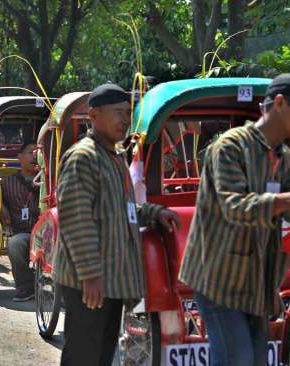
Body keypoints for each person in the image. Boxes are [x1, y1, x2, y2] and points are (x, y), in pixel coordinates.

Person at [178, 74, 290, 366]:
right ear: (279, 103)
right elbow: (234, 207)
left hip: (257, 283)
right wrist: (288, 201)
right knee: (236, 360)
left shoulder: (287, 159)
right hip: (217, 279)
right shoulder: (229, 148)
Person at [53, 83, 180, 366]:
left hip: (111, 279)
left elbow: (121, 209)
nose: (125, 120)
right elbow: (76, 219)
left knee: (101, 355)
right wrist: (90, 274)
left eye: (128, 113)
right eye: (118, 113)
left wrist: (153, 212)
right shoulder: (83, 157)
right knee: (84, 354)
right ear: (94, 115)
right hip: (90, 279)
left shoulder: (114, 156)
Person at [0, 143, 40, 302]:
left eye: (38, 153)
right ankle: (26, 287)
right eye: (31, 152)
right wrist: (1, 208)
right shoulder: (7, 182)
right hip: (23, 232)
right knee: (15, 243)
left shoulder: (49, 180)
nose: (35, 156)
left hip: (48, 231)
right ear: (20, 156)